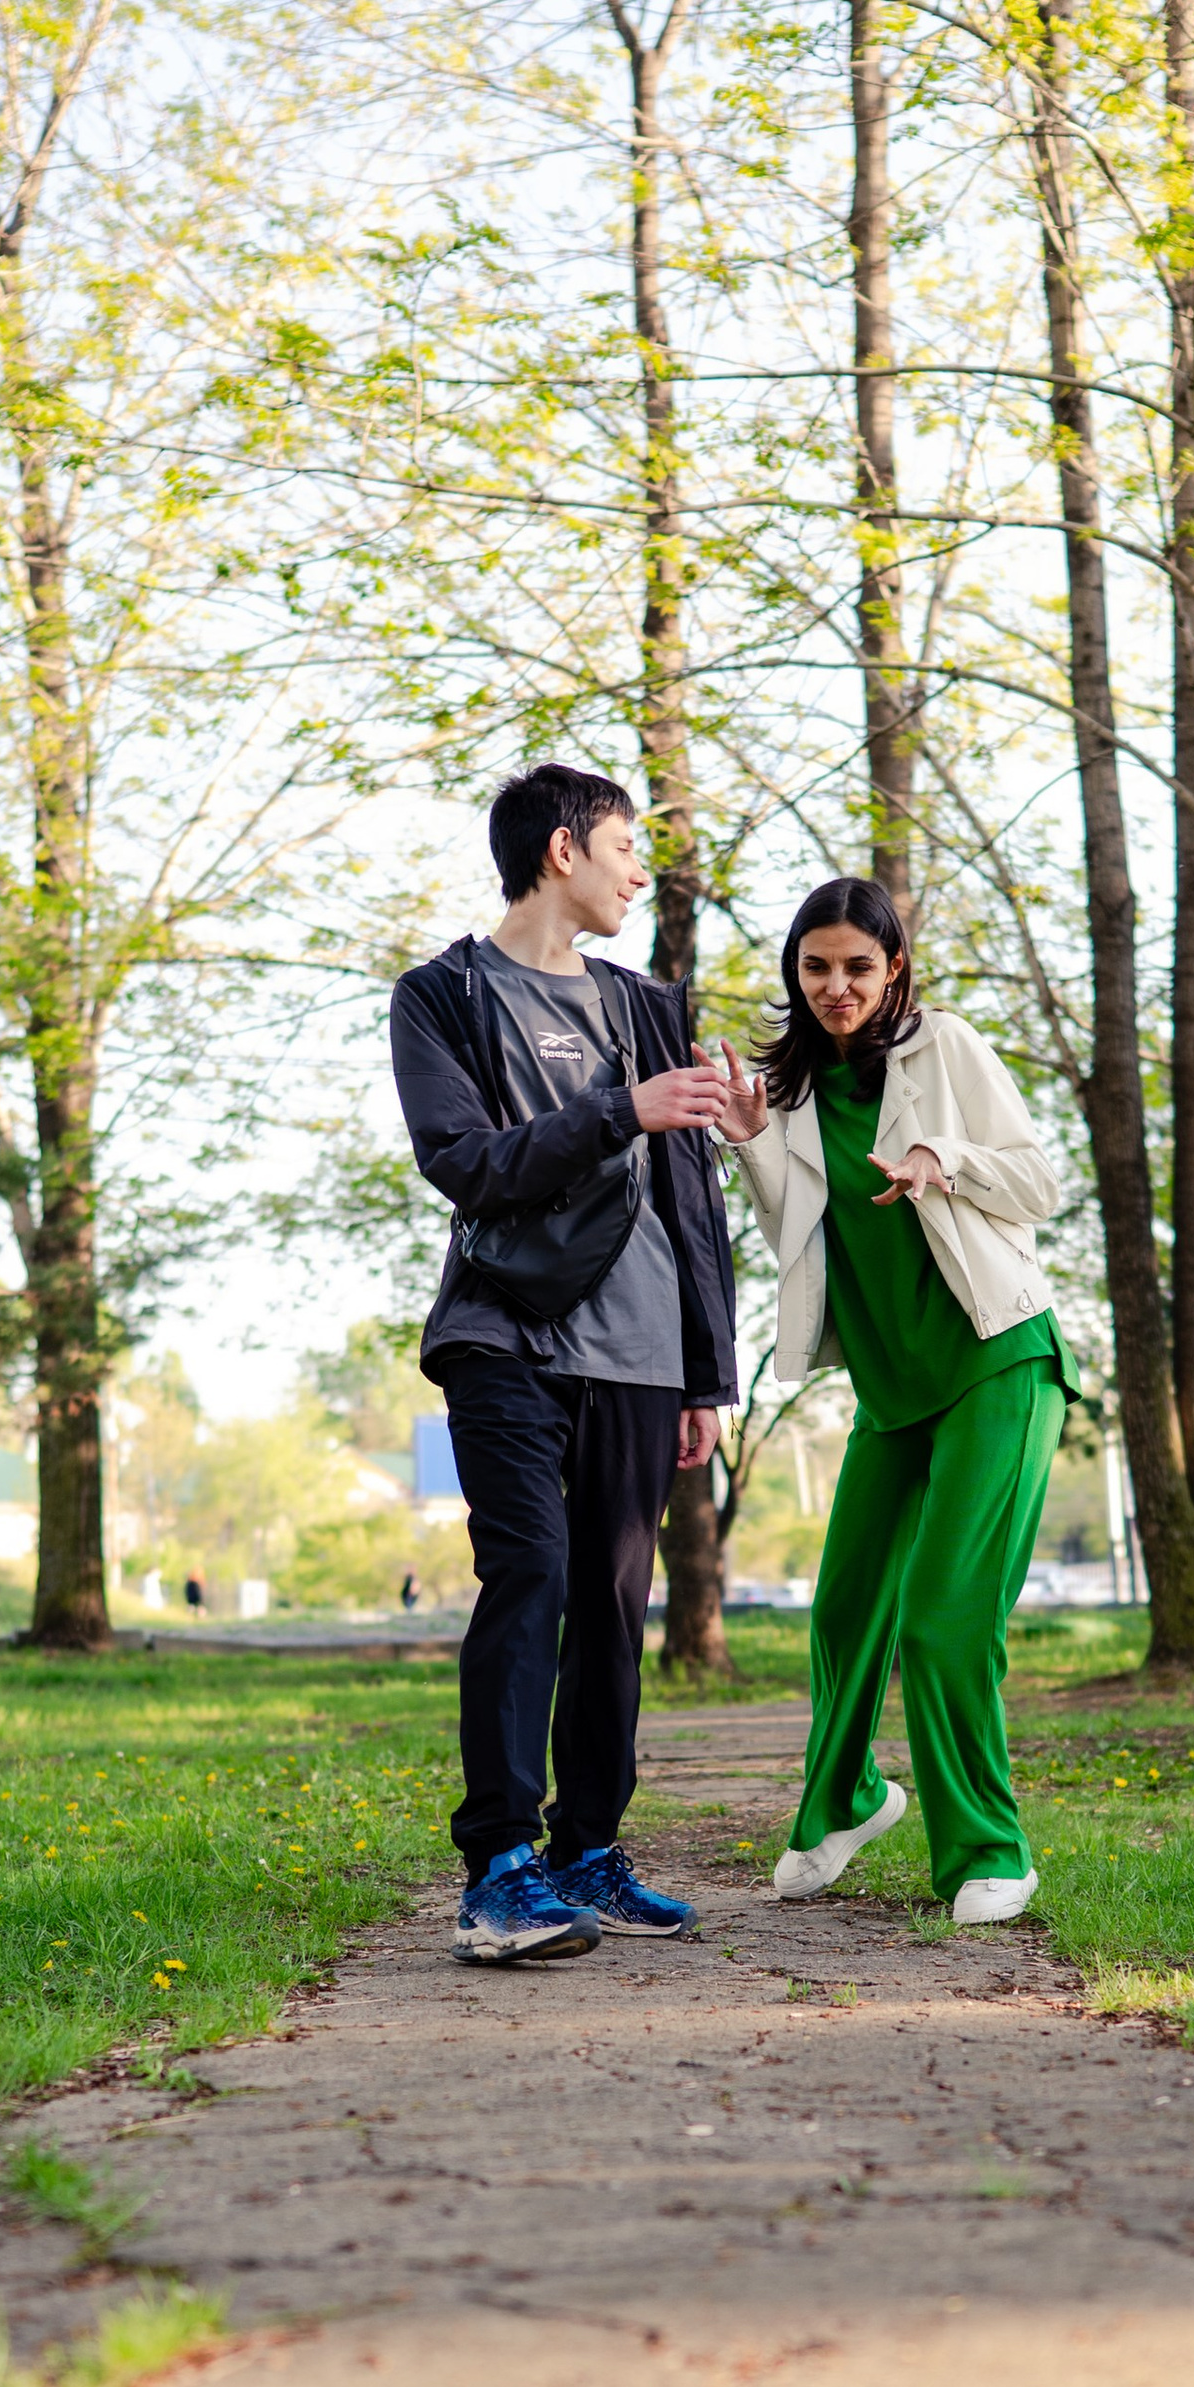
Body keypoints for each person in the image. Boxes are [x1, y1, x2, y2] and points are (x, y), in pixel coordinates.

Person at [390, 762, 762, 1963]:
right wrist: (619, 1112)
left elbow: (690, 1193)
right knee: (532, 1574)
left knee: (611, 1605)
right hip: (502, 1330)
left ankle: (586, 1849)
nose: (635, 869)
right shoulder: (441, 994)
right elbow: (465, 1163)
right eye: (622, 846)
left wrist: (707, 1366)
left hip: (645, 1357)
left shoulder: (648, 1004)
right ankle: (498, 1866)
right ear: (561, 851)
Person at [725, 874, 1082, 1926]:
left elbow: (1039, 1179)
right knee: (842, 1610)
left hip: (994, 1361)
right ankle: (847, 1802)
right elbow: (799, 1230)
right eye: (816, 966)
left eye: (857, 967)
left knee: (940, 1622)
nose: (836, 987)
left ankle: (990, 1846)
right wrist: (747, 1141)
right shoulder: (786, 1087)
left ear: (893, 972)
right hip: (892, 1386)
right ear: (796, 971)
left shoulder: (944, 1048)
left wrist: (945, 1156)